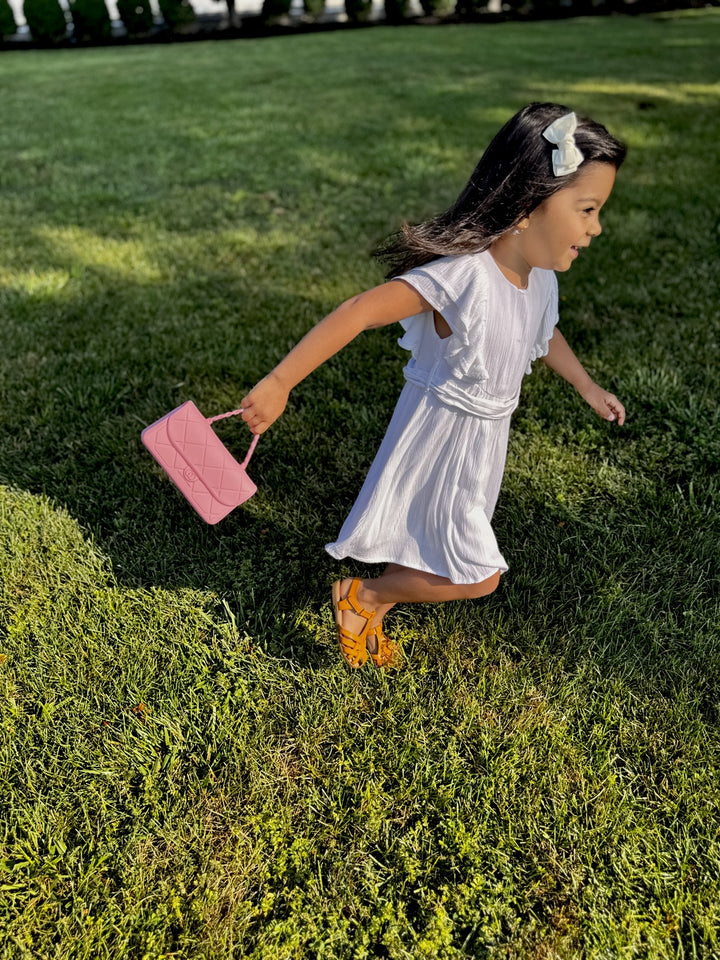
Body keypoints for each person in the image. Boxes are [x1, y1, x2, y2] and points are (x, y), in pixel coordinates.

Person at [241, 102, 627, 670]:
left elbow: (544, 335)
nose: (596, 228)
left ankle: (368, 605)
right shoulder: (463, 276)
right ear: (527, 206)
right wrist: (279, 382)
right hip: (441, 439)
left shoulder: (538, 279)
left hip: (484, 444)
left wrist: (587, 387)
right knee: (479, 576)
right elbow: (356, 313)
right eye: (588, 210)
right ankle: (363, 596)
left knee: (440, 554)